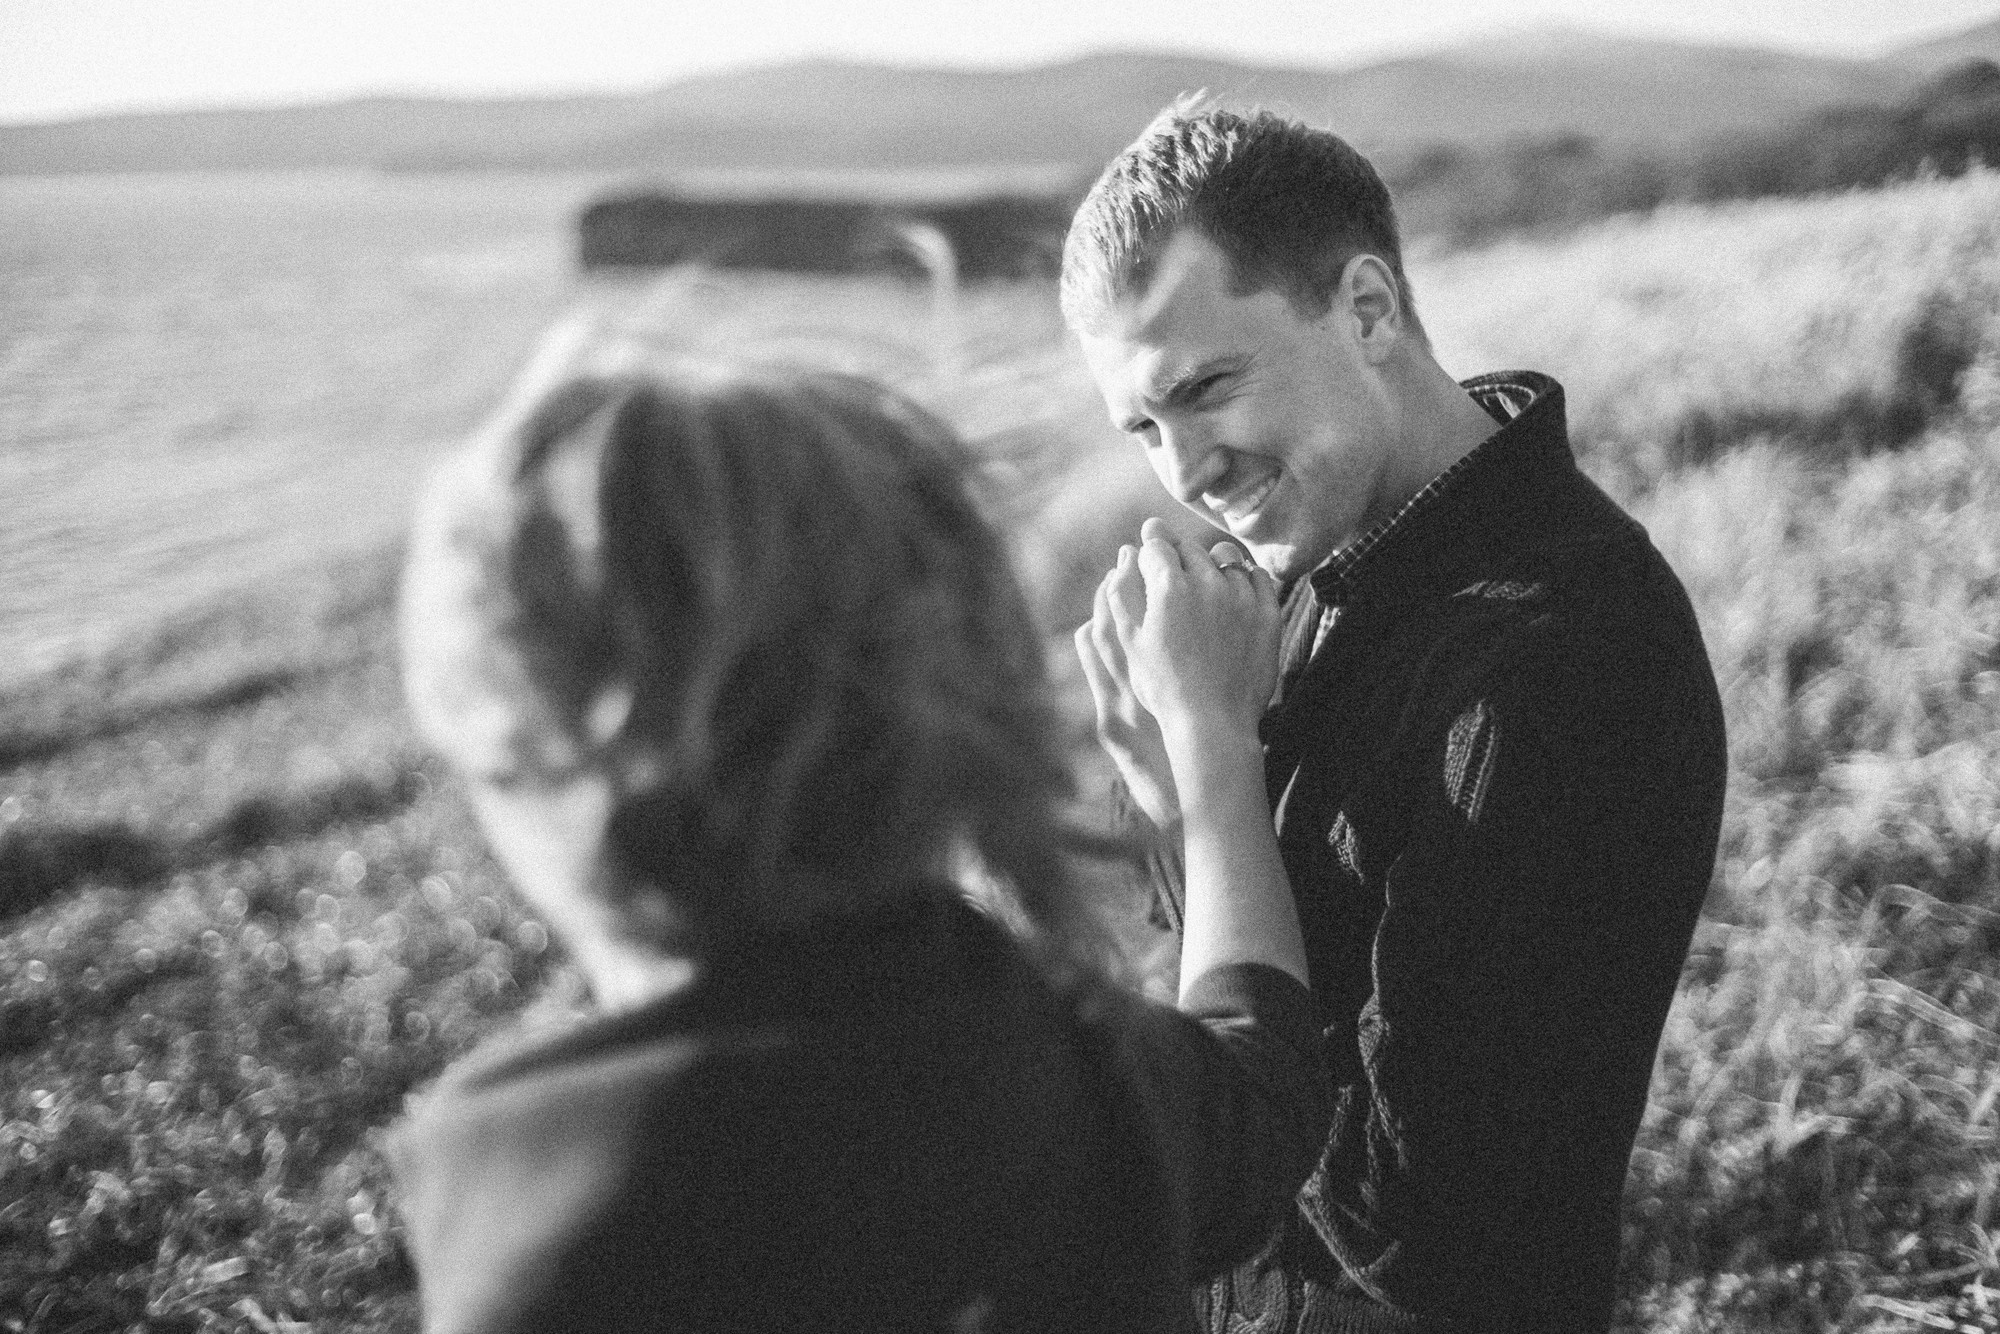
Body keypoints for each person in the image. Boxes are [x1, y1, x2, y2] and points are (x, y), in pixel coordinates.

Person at [389, 347, 1331, 1333]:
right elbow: (1263, 1077)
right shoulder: (1059, 1070)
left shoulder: (510, 1178)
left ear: (515, 764)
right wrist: (1211, 747)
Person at [1065, 101, 1729, 1334]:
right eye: (1143, 427)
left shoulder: (1564, 653)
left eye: (1205, 386)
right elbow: (1244, 1059)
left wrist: (1212, 766)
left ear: (1367, 310)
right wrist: (1174, 808)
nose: (1186, 469)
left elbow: (1403, 1225)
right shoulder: (1326, 564)